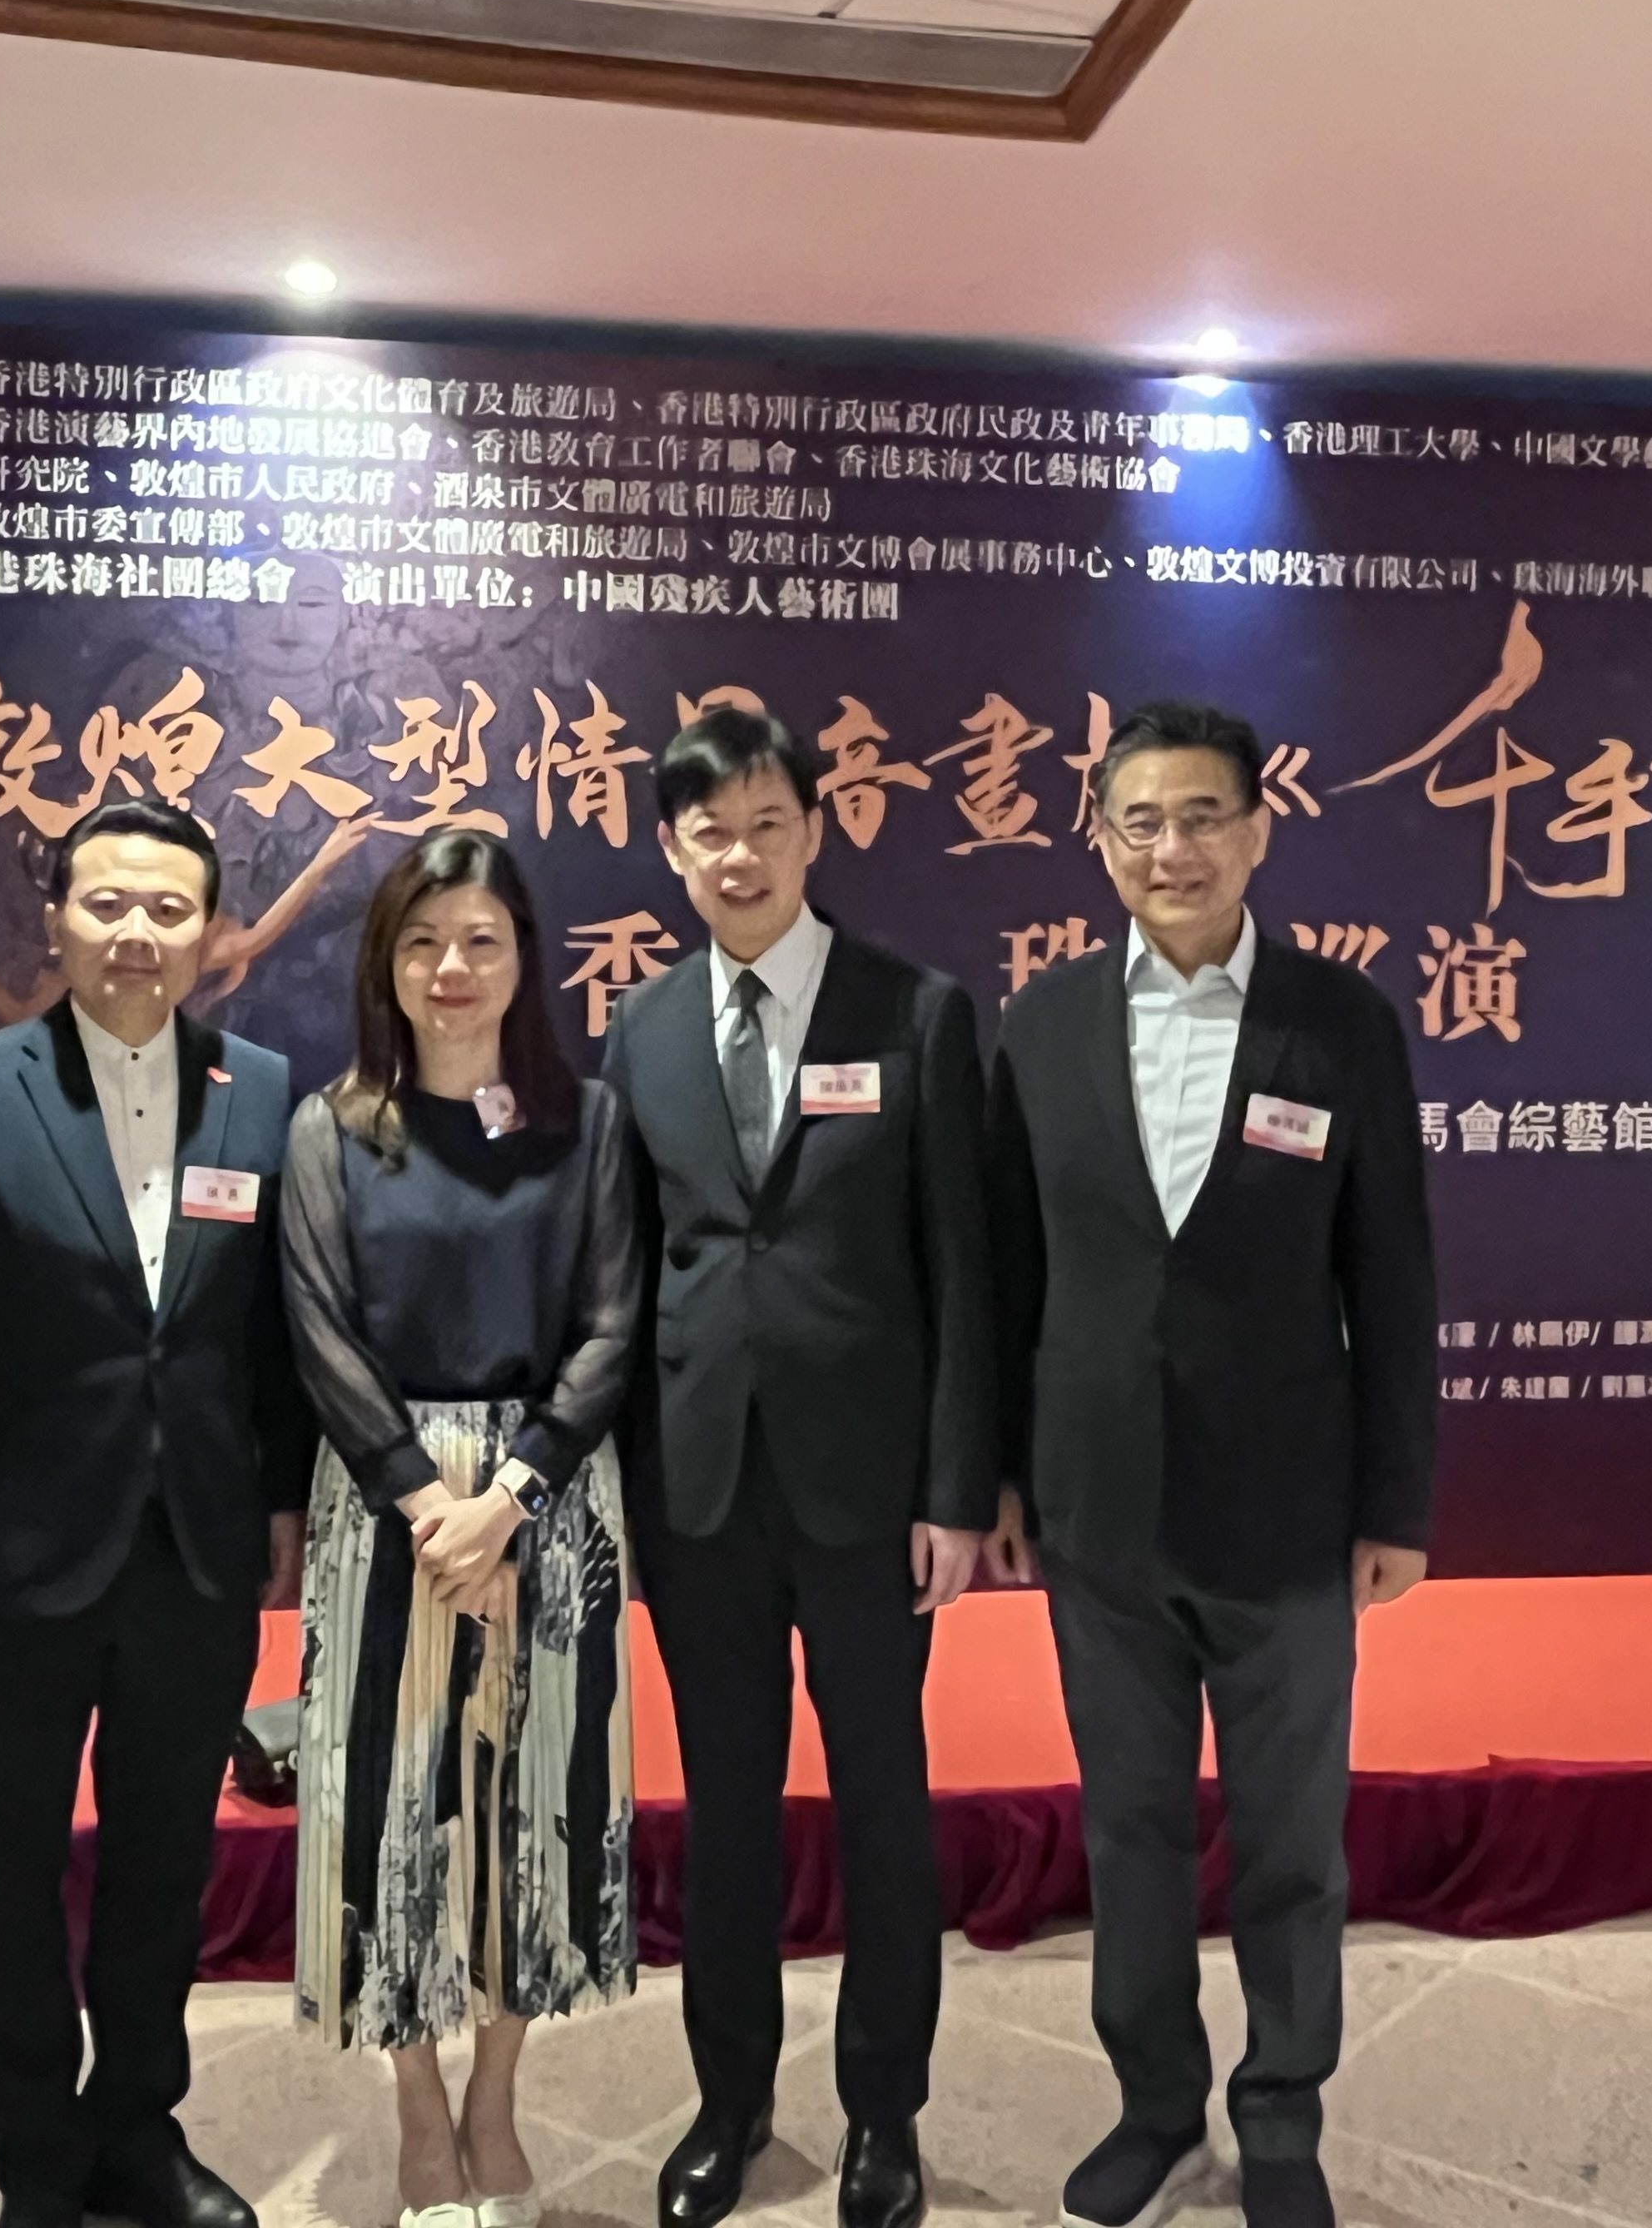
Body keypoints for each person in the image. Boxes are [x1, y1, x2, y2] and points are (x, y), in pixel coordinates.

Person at [986, 700, 1438, 2228]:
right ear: (1099, 840)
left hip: (1289, 1507)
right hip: (1097, 1506)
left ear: (1256, 832)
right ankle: (1155, 2105)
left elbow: (1394, 1277)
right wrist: (997, 1476)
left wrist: (1396, 1501)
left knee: (1293, 1838)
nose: (1170, 848)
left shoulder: (1340, 1021)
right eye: (1140, 821)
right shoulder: (1042, 1023)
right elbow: (1005, 1272)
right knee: (1129, 1827)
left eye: (1200, 817)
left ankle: (1283, 2113)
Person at [0, 796, 310, 2228]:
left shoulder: (261, 1088)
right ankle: (37, 2163)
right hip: (8, 1558)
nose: (137, 933)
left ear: (213, 932)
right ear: (56, 919)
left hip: (194, 1549)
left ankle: (139, 2129)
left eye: (169, 909)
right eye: (107, 903)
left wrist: (283, 1502)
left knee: (162, 1863)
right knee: (7, 1873)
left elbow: (270, 1335)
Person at [598, 707, 991, 2228]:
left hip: (870, 1494)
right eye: (710, 832)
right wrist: (620, 1491)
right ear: (671, 850)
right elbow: (624, 1276)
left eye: (769, 824)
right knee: (728, 1808)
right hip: (699, 1488)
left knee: (883, 1799)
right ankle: (731, 2101)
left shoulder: (917, 1012)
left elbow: (963, 1271)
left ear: (814, 831)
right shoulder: (640, 1030)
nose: (741, 856)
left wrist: (956, 1490)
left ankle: (884, 2111)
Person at [282, 828, 641, 2228]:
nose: (451, 968)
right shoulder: (334, 1126)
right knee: (391, 1808)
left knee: (531, 1808)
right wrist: (433, 1504)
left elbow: (612, 1324)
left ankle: (497, 2103)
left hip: (546, 1500)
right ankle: (420, 2114)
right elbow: (318, 1329)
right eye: (422, 941)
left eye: (480, 940)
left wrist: (513, 1498)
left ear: (522, 958)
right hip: (389, 1507)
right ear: (386, 960)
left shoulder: (586, 1121)